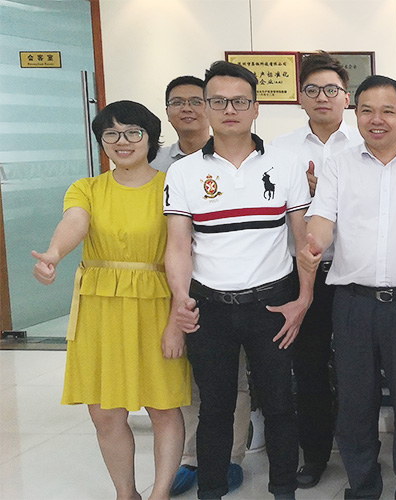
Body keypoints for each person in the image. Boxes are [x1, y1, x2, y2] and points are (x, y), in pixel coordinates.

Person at [300, 74, 396, 500]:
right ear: (356, 114)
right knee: (355, 403)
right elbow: (323, 219)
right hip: (353, 304)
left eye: (388, 111)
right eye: (367, 110)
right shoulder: (340, 165)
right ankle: (363, 486)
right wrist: (314, 243)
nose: (377, 119)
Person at [163, 60, 314, 500]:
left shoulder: (285, 164)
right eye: (219, 101)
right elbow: (178, 246)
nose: (230, 109)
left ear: (256, 107)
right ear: (207, 108)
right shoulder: (184, 172)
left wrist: (304, 298)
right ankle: (211, 490)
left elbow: (304, 241)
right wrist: (180, 299)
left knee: (280, 404)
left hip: (273, 304)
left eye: (240, 101)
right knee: (215, 408)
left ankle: (283, 489)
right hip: (209, 307)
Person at [31, 100, 190, 500]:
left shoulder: (173, 185)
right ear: (101, 142)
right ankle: (126, 493)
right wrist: (54, 254)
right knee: (104, 412)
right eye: (111, 134)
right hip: (101, 307)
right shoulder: (87, 188)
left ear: (151, 138)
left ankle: (160, 493)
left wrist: (177, 319)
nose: (123, 141)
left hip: (156, 303)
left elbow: (183, 252)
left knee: (163, 406)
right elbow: (75, 221)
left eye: (133, 132)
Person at [152, 74, 251, 497]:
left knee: (233, 377)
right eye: (179, 102)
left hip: (224, 283)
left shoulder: (239, 155)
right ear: (167, 110)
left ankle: (230, 458)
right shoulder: (156, 163)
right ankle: (193, 457)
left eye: (196, 100)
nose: (187, 109)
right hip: (170, 281)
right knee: (189, 377)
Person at [271, 50, 363, 489]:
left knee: (355, 372)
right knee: (307, 370)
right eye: (312, 90)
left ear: (346, 97)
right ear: (300, 97)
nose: (322, 97)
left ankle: (359, 456)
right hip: (299, 274)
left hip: (352, 275)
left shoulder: (365, 145)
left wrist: (326, 193)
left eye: (331, 90)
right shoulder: (279, 150)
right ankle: (314, 456)